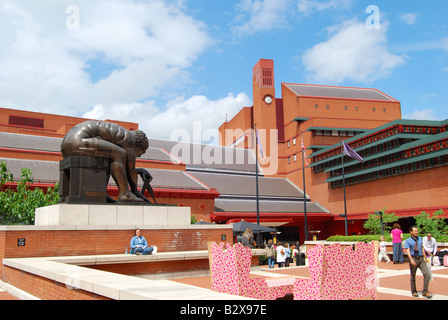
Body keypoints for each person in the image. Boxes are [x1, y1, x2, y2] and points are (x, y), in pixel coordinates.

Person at [61, 120, 150, 203]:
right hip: (79, 141)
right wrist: (135, 191)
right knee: (119, 154)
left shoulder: (122, 135)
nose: (138, 156)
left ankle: (102, 194)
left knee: (110, 156)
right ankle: (125, 194)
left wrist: (139, 173)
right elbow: (131, 169)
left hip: (67, 144)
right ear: (139, 145)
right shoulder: (130, 140)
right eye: (141, 153)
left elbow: (122, 168)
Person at [404, 226, 432, 299]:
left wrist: (425, 256)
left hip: (421, 258)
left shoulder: (420, 239)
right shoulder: (407, 241)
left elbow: (421, 248)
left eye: (417, 231)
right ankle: (414, 291)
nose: (417, 232)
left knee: (427, 274)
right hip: (414, 258)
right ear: (411, 232)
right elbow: (408, 251)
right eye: (415, 231)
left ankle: (425, 291)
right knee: (413, 276)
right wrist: (411, 259)